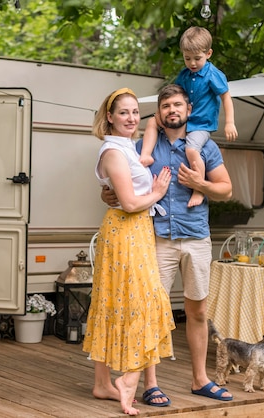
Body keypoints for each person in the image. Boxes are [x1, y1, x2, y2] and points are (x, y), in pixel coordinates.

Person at [102, 84, 234, 402]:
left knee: (198, 311)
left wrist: (199, 183)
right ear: (159, 115)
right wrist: (108, 195)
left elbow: (226, 190)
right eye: (165, 106)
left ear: (188, 110)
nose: (172, 110)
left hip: (196, 237)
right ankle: (151, 384)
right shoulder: (141, 148)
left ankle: (199, 379)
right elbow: (115, 186)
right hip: (156, 238)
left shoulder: (205, 147)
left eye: (177, 105)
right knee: (150, 312)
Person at [83, 87, 175, 416]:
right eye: (124, 113)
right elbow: (131, 202)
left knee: (115, 300)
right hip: (125, 229)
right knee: (146, 300)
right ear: (109, 117)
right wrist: (158, 191)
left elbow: (121, 191)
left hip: (135, 230)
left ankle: (102, 383)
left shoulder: (127, 147)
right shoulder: (113, 151)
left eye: (135, 112)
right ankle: (128, 378)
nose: (131, 118)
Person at [139, 26, 237, 208]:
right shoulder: (184, 75)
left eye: (197, 58)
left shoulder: (213, 75)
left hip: (201, 124)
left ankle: (198, 189)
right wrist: (164, 112)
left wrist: (229, 123)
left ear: (208, 53)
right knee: (152, 120)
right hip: (186, 122)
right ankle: (146, 154)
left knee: (192, 150)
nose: (192, 63)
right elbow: (175, 96)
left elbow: (226, 97)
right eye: (187, 58)